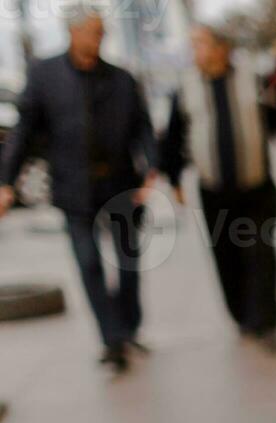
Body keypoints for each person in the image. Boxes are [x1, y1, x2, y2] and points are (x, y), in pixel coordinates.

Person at [0, 6, 158, 373]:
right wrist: (6, 183)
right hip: (74, 191)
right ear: (72, 32)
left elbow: (143, 127)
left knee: (129, 264)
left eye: (102, 32)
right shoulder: (44, 75)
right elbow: (23, 133)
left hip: (122, 188)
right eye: (93, 32)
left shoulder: (121, 78)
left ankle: (128, 326)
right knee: (88, 263)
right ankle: (112, 338)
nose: (99, 38)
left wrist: (151, 170)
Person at [159, 25, 276, 353]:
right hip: (214, 192)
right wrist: (174, 181)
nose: (195, 51)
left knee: (262, 254)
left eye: (200, 44)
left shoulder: (254, 82)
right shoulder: (185, 89)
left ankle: (266, 321)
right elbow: (172, 140)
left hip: (257, 187)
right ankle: (243, 317)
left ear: (222, 48)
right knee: (226, 256)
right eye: (193, 45)